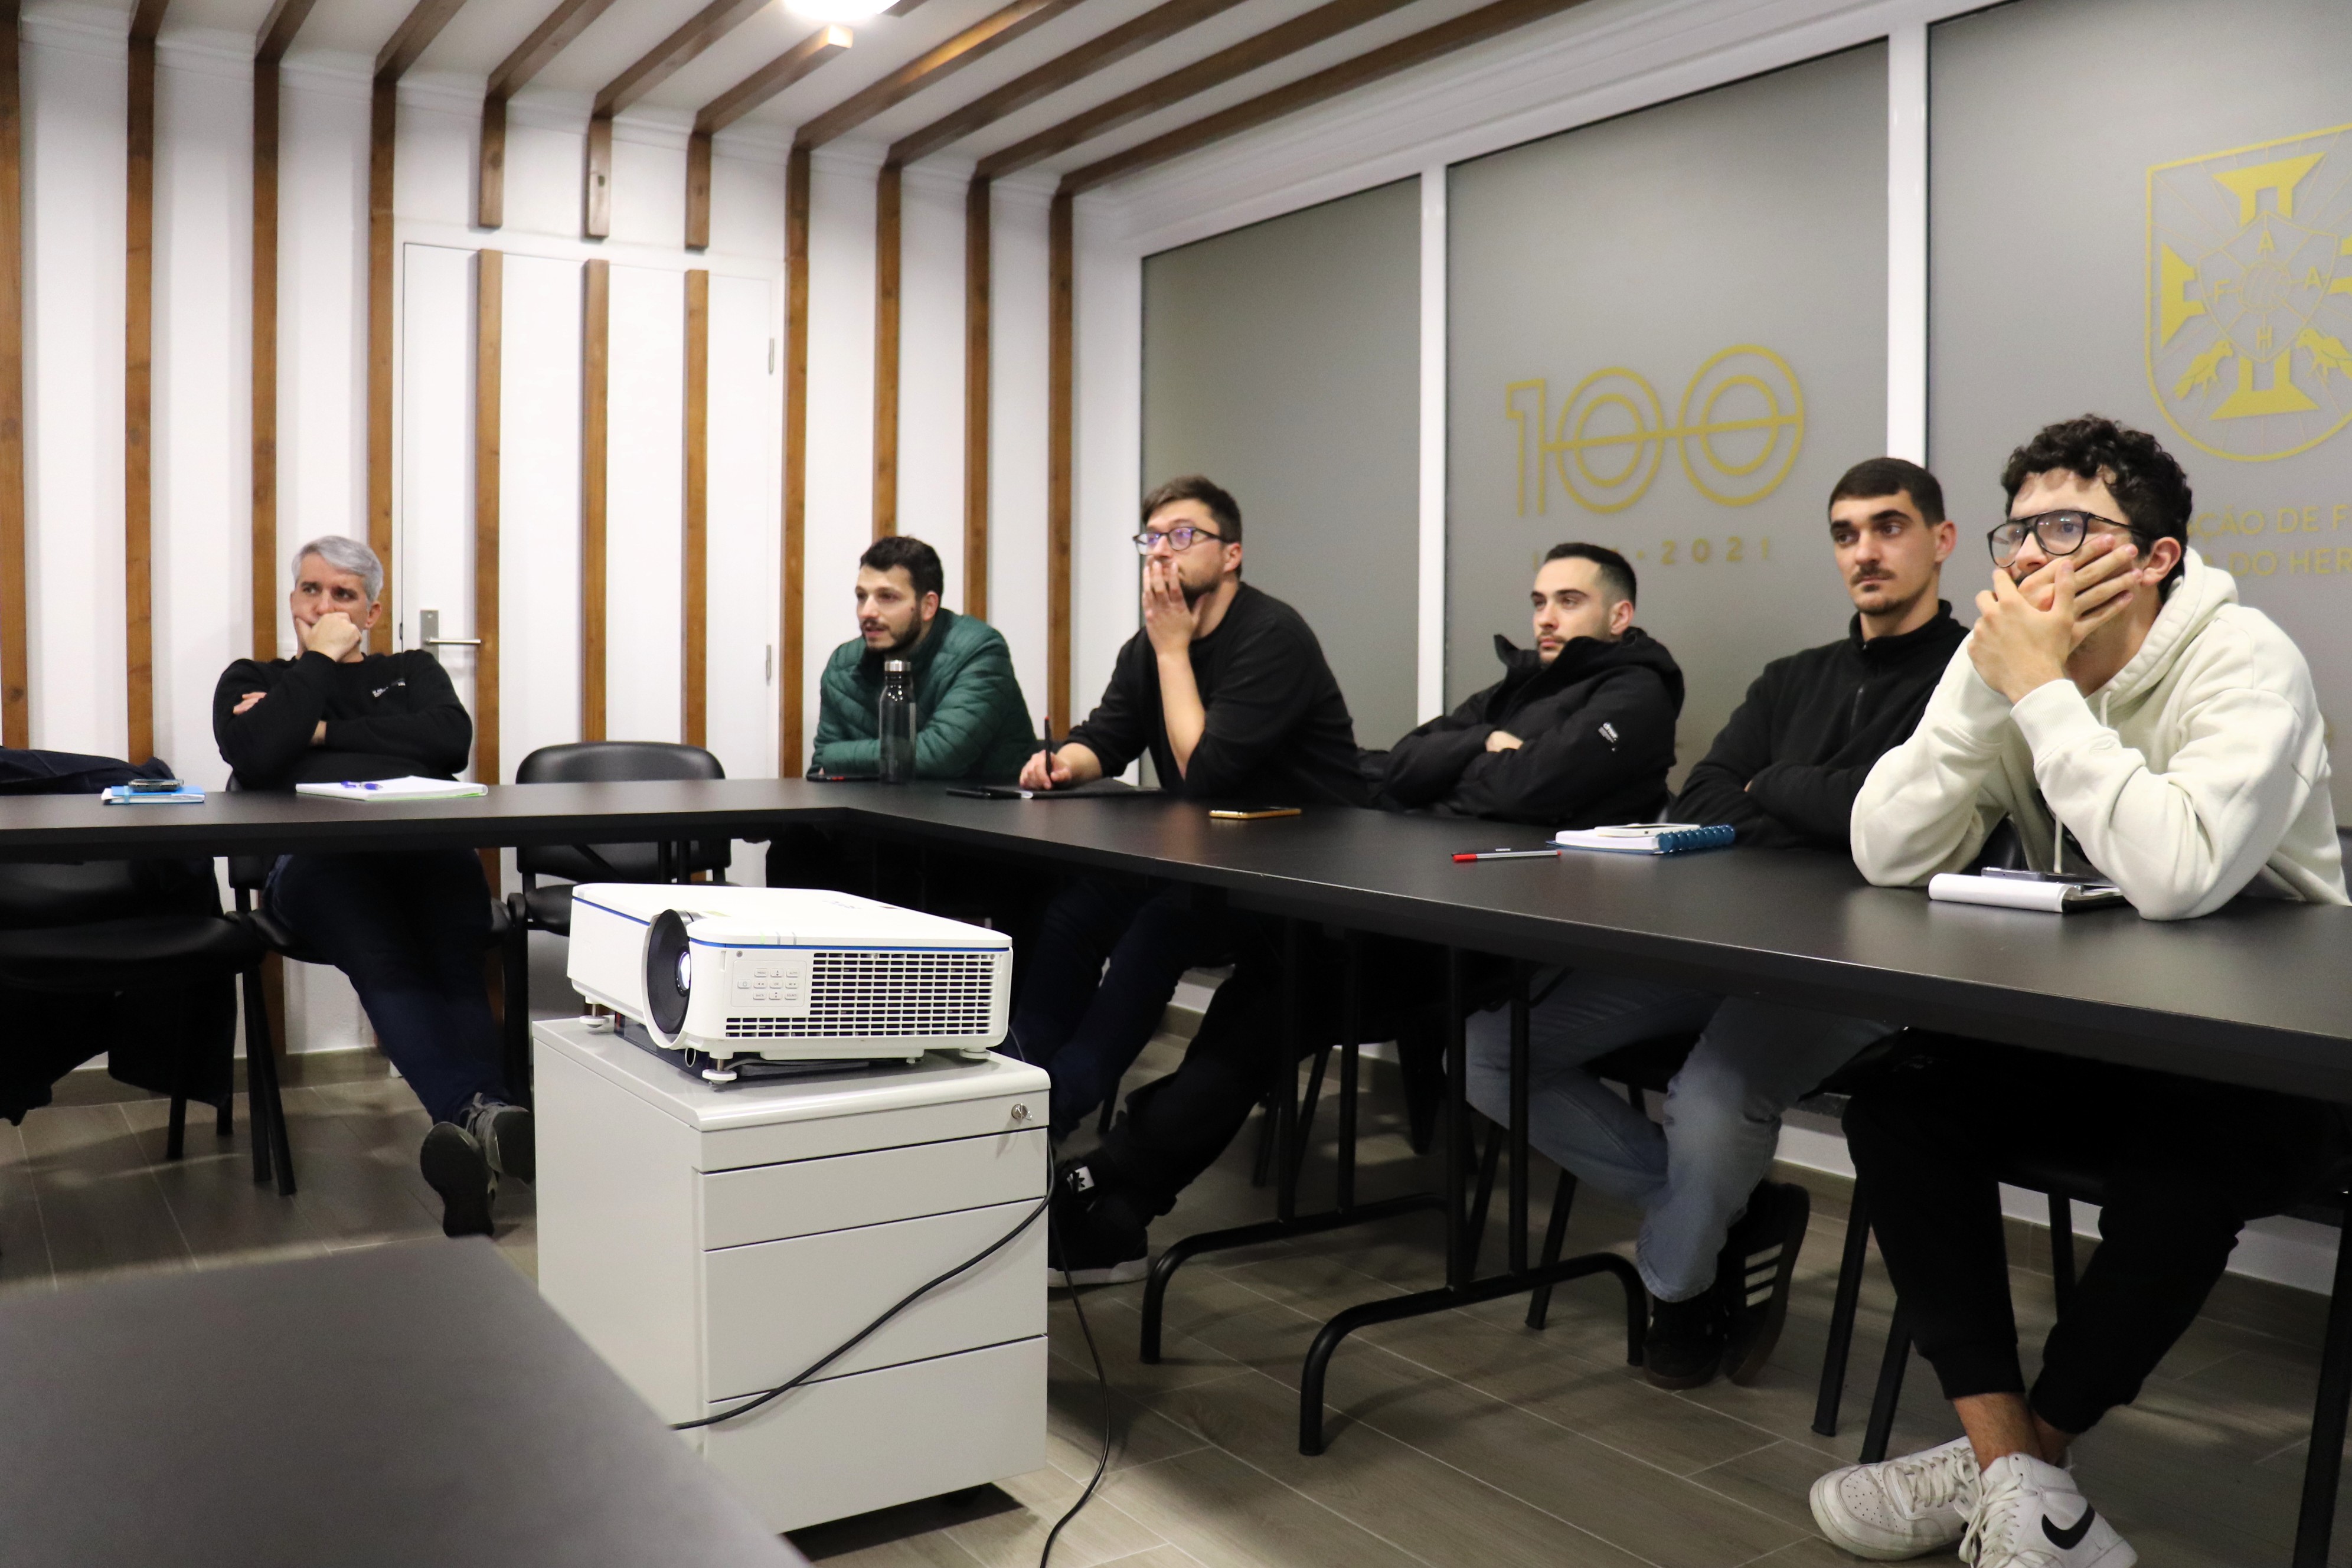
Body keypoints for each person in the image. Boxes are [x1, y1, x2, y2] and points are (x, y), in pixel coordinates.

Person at [1812, 417, 2348, 1568]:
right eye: (2020, 532)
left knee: (2182, 1173)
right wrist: (1981, 691)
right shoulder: (2006, 655)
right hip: (2100, 1029)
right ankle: (2018, 1472)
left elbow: (2178, 871)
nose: (2033, 559)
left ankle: (2016, 1462)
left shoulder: (2246, 659)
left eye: (2073, 526)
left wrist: (2043, 692)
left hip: (2274, 1053)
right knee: (1901, 1101)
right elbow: (1882, 846)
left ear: (2155, 555)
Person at [1461, 458, 1968, 1391]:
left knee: (1709, 1101)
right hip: (1719, 941)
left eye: (1889, 527)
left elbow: (1912, 827)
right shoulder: (1791, 680)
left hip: (1856, 964)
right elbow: (1703, 798)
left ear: (1939, 542)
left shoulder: (1972, 678)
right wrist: (1819, 808)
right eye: (1847, 533)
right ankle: (1723, 1213)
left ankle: (1679, 1286)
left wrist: (1772, 786)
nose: (1866, 551)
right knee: (1493, 1049)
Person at [1019, 476, 1366, 1272]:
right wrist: (1060, 763)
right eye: (1152, 538)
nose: (1163, 553)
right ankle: (1030, 1068)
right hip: (1215, 857)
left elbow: (1204, 771)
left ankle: (1063, 1101)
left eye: (1184, 536)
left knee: (1163, 918)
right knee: (1082, 905)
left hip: (1307, 874)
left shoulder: (1270, 635)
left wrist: (1174, 651)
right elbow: (1109, 734)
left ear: (1232, 555)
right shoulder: (1149, 647)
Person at [214, 535, 530, 1239]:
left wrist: (315, 730)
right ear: (292, 599)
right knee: (385, 956)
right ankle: (485, 1111)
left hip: (424, 846)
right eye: (310, 590)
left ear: (373, 611)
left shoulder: (412, 669)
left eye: (343, 594)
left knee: (456, 961)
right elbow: (258, 752)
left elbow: (448, 743)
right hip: (318, 863)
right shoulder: (249, 677)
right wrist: (320, 665)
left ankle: (471, 1149)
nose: (323, 605)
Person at [1380, 543, 1683, 825]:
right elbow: (1400, 767)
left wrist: (1438, 779)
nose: (1545, 620)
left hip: (1563, 877)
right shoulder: (1522, 681)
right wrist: (1484, 740)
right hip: (1453, 857)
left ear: (1618, 617)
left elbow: (1518, 792)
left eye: (1569, 602)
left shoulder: (1637, 694)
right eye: (1540, 604)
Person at [808, 535, 1034, 782]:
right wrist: (834, 760)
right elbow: (820, 772)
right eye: (862, 597)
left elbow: (940, 756)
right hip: (878, 812)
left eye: (887, 597)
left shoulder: (979, 651)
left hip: (978, 814)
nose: (867, 612)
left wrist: (837, 758)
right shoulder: (844, 665)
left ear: (928, 606)